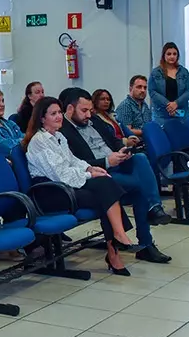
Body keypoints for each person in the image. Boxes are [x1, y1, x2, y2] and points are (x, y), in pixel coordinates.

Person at [25, 97, 134, 275]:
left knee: (105, 182)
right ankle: (116, 245)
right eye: (53, 114)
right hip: (49, 191)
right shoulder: (39, 141)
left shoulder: (58, 136)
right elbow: (60, 174)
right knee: (104, 195)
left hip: (65, 185)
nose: (59, 117)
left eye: (59, 112)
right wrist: (89, 174)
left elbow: (73, 160)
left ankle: (117, 239)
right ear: (42, 118)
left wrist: (91, 168)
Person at [60, 89, 172, 263]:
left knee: (140, 158)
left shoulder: (94, 120)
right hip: (99, 175)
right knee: (141, 190)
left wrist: (121, 150)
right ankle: (148, 237)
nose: (88, 114)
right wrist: (106, 161)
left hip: (116, 163)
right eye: (84, 111)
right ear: (69, 109)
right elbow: (78, 164)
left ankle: (154, 208)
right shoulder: (63, 132)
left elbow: (113, 140)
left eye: (90, 110)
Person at [149, 42, 189, 125]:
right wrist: (169, 105)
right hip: (161, 114)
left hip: (180, 112)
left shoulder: (184, 72)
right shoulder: (155, 72)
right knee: (163, 136)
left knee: (180, 135)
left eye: (174, 54)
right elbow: (152, 92)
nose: (172, 56)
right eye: (169, 54)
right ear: (164, 55)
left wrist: (176, 103)